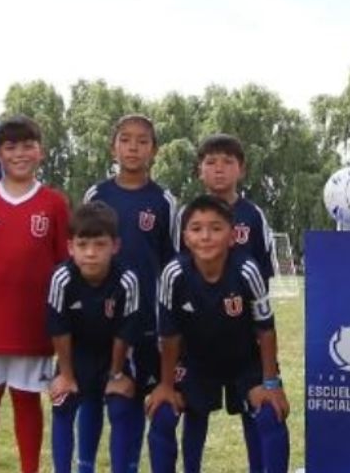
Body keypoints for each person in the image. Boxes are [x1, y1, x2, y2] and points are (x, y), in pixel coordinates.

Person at [146, 195, 290, 473]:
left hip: (245, 360)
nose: (206, 236)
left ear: (232, 236)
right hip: (194, 362)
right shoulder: (173, 274)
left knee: (271, 414)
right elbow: (169, 335)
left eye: (215, 228)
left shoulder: (248, 270)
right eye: (197, 229)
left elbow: (265, 329)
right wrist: (165, 385)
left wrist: (271, 384)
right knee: (163, 415)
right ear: (185, 238)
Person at [0, 115, 70, 473]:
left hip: (33, 324)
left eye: (27, 146)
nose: (19, 153)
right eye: (11, 147)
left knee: (26, 400)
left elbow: (61, 263)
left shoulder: (54, 203)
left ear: (40, 152)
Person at [82, 114, 176, 466]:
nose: (133, 147)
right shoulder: (97, 194)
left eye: (142, 141)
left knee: (140, 404)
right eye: (125, 139)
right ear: (113, 146)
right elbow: (83, 252)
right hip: (102, 319)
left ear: (154, 150)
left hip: (147, 324)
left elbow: (172, 267)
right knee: (99, 400)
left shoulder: (165, 201)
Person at [186, 132, 275, 471]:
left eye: (227, 162)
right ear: (199, 171)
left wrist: (255, 325)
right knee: (195, 413)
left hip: (243, 336)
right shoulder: (189, 214)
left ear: (242, 169)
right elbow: (178, 272)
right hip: (199, 334)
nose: (219, 169)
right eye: (211, 162)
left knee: (256, 411)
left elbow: (262, 275)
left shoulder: (253, 216)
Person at [47, 201, 141, 473]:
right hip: (75, 355)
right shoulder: (61, 278)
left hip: (115, 354)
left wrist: (115, 376)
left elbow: (126, 331)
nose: (90, 253)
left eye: (100, 245)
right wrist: (65, 375)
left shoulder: (127, 279)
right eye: (83, 244)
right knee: (63, 400)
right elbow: (58, 328)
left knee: (121, 405)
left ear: (115, 246)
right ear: (70, 247)